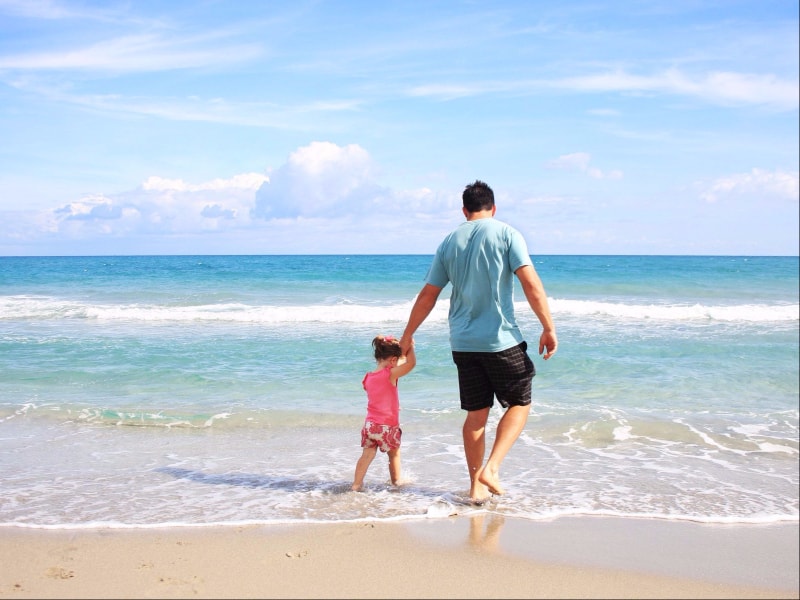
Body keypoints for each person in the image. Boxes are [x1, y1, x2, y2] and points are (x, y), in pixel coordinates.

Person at [399, 180, 557, 502]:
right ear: (493, 208)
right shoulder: (507, 233)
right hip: (499, 340)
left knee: (476, 415)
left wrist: (408, 333)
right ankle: (492, 468)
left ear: (464, 210)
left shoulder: (448, 242)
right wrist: (548, 327)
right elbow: (530, 282)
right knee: (520, 403)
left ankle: (475, 488)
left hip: (463, 342)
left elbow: (429, 294)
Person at [351, 335, 416, 492]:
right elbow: (411, 364)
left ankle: (356, 485)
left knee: (366, 455)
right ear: (393, 361)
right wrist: (411, 347)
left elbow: (394, 365)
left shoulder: (367, 378)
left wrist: (401, 352)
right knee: (394, 455)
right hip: (387, 426)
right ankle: (396, 482)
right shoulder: (390, 374)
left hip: (370, 426)